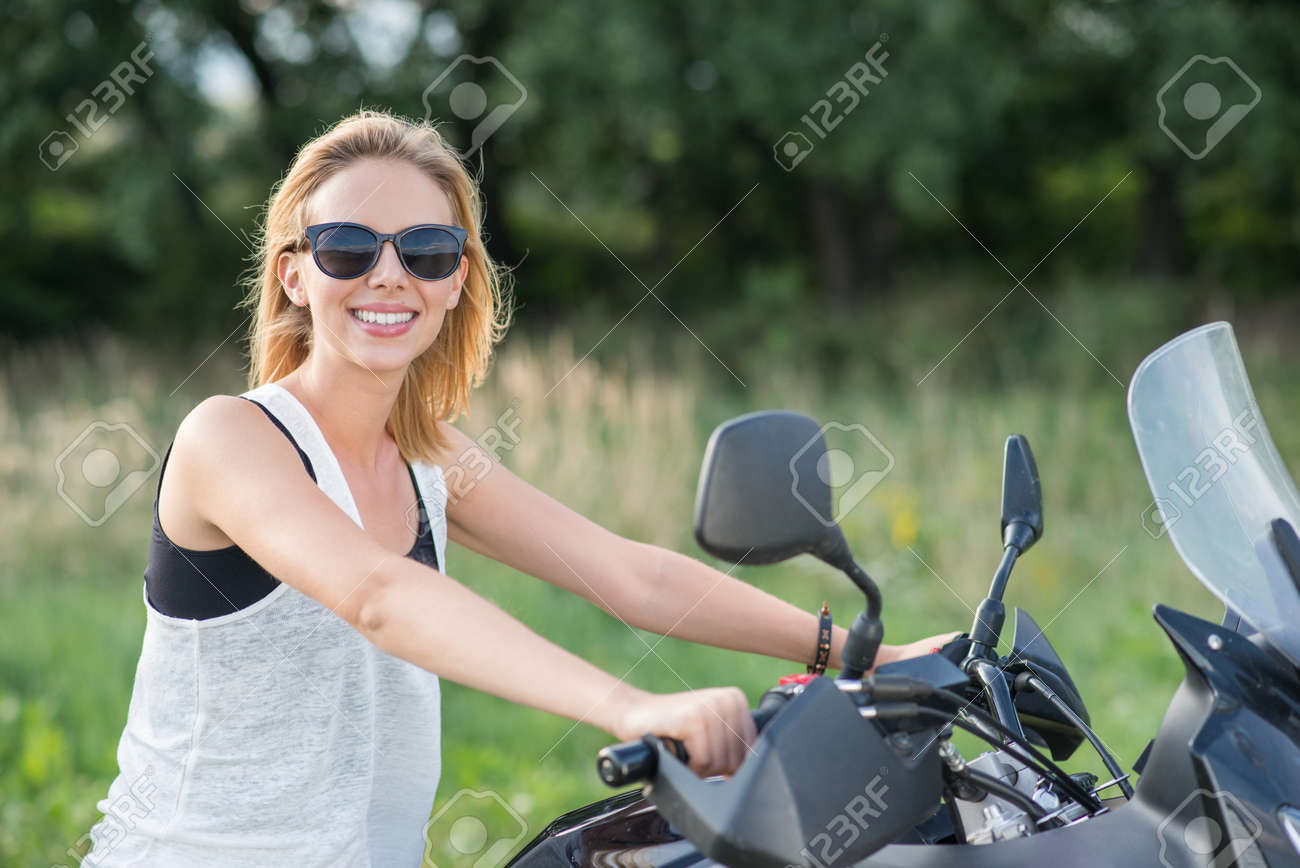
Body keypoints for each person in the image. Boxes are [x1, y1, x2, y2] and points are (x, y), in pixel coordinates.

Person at [86, 110, 956, 867]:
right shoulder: (230, 437)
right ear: (294, 274)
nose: (390, 276)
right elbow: (379, 595)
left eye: (427, 251)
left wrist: (874, 655)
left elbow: (629, 576)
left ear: (457, 278)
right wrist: (631, 705)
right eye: (348, 246)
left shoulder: (430, 457)